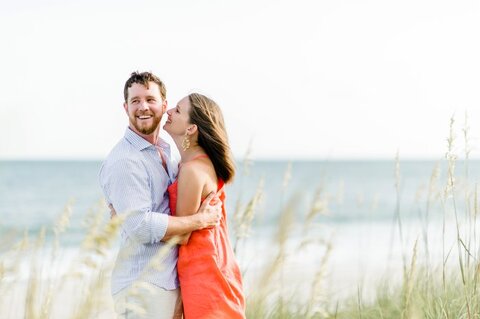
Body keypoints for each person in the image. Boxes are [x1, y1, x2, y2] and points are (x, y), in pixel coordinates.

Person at [99, 72, 222, 319]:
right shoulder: (126, 160)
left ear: (164, 106)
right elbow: (140, 226)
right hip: (142, 286)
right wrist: (199, 220)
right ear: (126, 108)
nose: (143, 107)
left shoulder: (169, 154)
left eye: (150, 99)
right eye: (135, 101)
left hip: (167, 283)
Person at [163, 93, 246, 318]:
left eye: (178, 110)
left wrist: (128, 220)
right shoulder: (196, 164)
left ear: (191, 129)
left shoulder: (192, 170)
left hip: (205, 277)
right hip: (215, 269)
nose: (169, 111)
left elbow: (181, 236)